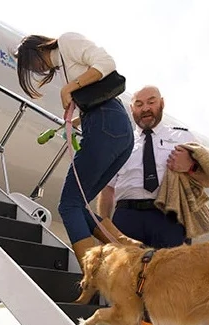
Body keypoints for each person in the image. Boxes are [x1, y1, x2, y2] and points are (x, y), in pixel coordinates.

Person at [97, 86, 209, 325]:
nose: (145, 108)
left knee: (178, 295)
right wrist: (105, 228)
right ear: (131, 109)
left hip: (168, 218)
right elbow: (107, 190)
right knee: (125, 293)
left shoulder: (182, 135)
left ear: (162, 104)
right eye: (138, 104)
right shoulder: (120, 141)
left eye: (150, 102)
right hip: (127, 217)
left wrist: (191, 166)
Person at [13, 33, 140, 270]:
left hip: (105, 124)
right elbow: (95, 99)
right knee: (79, 205)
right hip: (117, 130)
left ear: (36, 49)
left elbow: (107, 64)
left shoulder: (67, 41)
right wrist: (74, 122)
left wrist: (70, 88)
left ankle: (91, 275)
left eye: (31, 63)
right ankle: (130, 250)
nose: (36, 69)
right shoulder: (63, 63)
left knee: (68, 205)